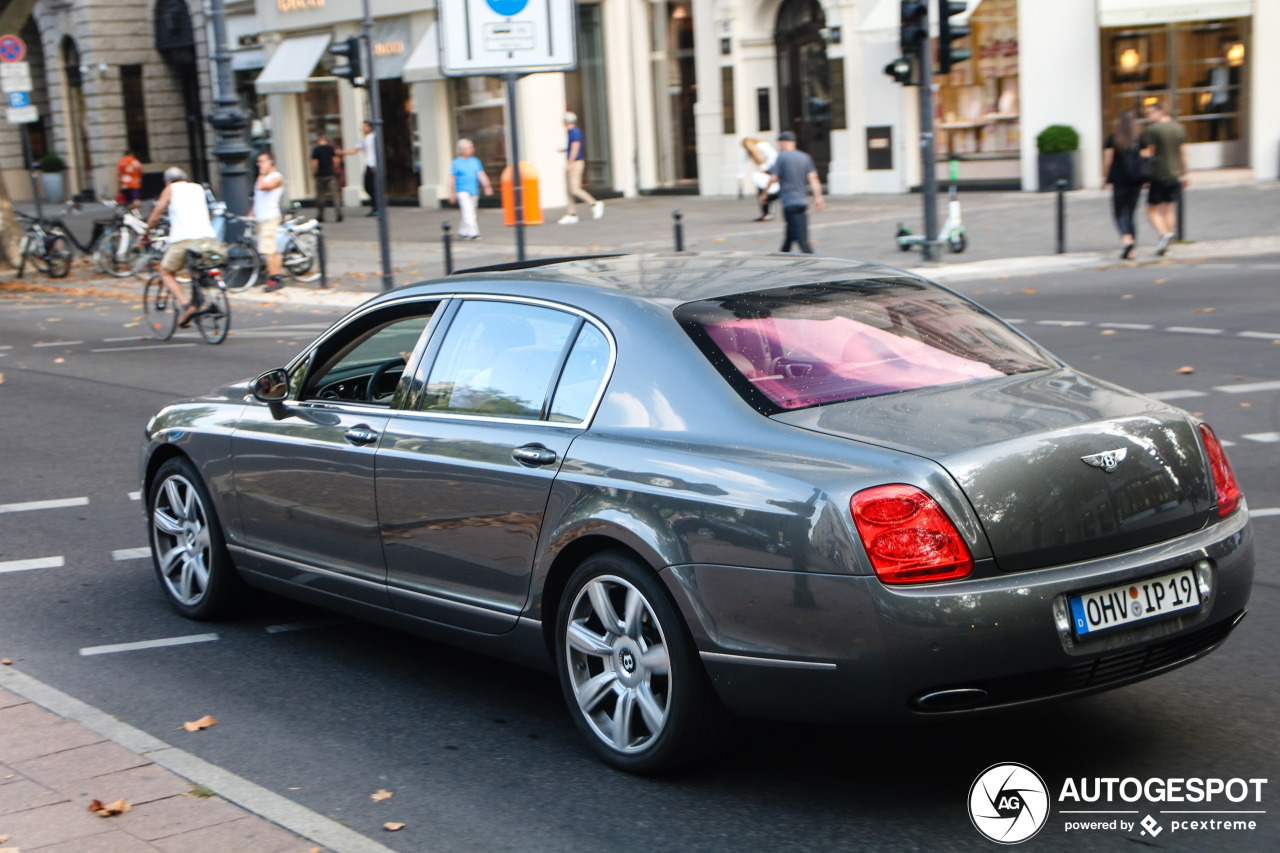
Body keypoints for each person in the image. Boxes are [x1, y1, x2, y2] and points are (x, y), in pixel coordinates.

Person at [144, 167, 217, 328]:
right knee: (196, 269)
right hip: (207, 237)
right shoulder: (198, 187)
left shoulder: (171, 188)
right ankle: (202, 300)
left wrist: (146, 232)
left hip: (184, 238)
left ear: (168, 181)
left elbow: (157, 212)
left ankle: (187, 306)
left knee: (166, 272)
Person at [1141, 100, 1188, 257]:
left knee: (1152, 209)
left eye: (1150, 112)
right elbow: (1183, 152)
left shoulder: (1153, 129)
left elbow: (1149, 153)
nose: (1148, 115)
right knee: (1169, 208)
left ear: (1160, 111)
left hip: (1158, 173)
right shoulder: (1178, 127)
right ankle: (1168, 238)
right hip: (1175, 173)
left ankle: (1164, 234)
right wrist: (1186, 172)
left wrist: (1142, 163)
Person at [767, 131, 824, 253]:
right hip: (802, 201)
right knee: (790, 232)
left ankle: (813, 259)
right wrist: (818, 198)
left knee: (801, 240)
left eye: (780, 143)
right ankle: (783, 254)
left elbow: (773, 177)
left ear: (783, 143)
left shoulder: (781, 157)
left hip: (789, 201)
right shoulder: (805, 157)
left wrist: (765, 193)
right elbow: (813, 178)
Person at [1101, 110, 1145, 260]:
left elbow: (1108, 161)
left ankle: (1127, 239)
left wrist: (1105, 178)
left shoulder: (1113, 139)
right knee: (1131, 214)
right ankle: (1132, 250)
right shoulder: (1139, 138)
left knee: (1119, 213)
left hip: (1119, 181)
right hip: (1136, 181)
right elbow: (1146, 158)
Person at [250, 151, 286, 293]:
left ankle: (274, 278)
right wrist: (250, 216)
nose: (259, 164)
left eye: (262, 161)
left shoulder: (276, 177)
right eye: (258, 162)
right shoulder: (262, 178)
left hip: (270, 217)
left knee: (267, 249)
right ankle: (276, 276)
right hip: (262, 217)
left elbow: (264, 187)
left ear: (271, 161)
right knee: (272, 249)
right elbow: (257, 200)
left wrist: (262, 173)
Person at [559, 112, 602, 224]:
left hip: (575, 163)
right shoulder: (572, 132)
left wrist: (569, 163)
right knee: (569, 189)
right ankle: (571, 213)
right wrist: (565, 150)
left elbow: (575, 147)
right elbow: (573, 147)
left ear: (566, 121)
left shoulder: (575, 132)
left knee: (574, 189)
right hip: (574, 162)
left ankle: (594, 203)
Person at [449, 138, 493, 241]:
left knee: (469, 212)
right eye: (466, 148)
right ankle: (474, 233)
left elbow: (481, 174)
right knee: (468, 212)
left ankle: (463, 232)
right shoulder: (456, 163)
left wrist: (487, 186)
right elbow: (452, 179)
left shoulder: (475, 161)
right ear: (461, 150)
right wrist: (452, 193)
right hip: (462, 191)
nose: (469, 150)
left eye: (470, 147)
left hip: (474, 191)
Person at [341, 121, 379, 217]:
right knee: (368, 186)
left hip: (374, 165)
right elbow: (354, 151)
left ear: (369, 127)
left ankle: (377, 207)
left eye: (364, 126)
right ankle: (376, 205)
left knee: (373, 187)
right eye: (362, 127)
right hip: (368, 165)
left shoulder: (373, 137)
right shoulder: (363, 140)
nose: (362, 128)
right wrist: (342, 152)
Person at [738, 138, 780, 221]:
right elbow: (743, 163)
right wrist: (740, 176)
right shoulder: (750, 151)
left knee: (769, 191)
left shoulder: (762, 145)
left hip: (770, 170)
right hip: (763, 172)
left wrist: (765, 167)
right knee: (762, 192)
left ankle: (768, 211)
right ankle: (766, 213)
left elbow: (773, 157)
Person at [311, 134, 341, 223]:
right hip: (330, 175)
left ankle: (320, 215)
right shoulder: (330, 149)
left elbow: (315, 163)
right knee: (335, 195)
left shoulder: (316, 150)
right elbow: (336, 161)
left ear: (319, 140)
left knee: (320, 196)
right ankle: (339, 213)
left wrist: (315, 172)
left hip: (320, 176)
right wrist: (335, 169)